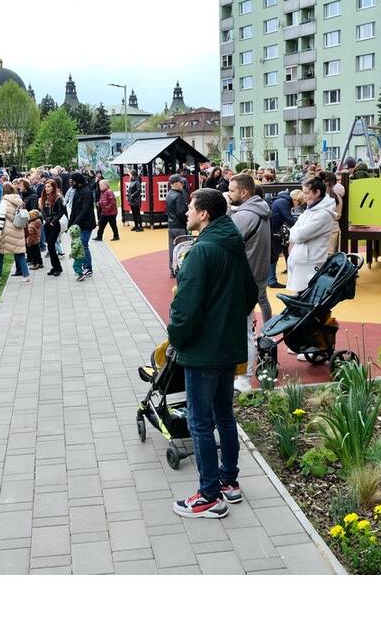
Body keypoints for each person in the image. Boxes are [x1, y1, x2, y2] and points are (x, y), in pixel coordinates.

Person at [167, 188, 257, 519]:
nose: (186, 212)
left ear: (204, 214)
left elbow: (185, 307)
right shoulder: (232, 244)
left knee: (200, 422)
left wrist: (176, 336)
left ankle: (208, 496)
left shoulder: (201, 250)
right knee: (224, 415)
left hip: (203, 351)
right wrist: (226, 320)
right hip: (227, 347)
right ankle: (228, 481)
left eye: (191, 208)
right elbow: (250, 293)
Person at [226, 173, 271, 394]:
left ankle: (243, 378)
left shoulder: (244, 216)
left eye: (231, 190)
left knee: (243, 331)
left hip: (243, 280)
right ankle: (242, 375)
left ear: (244, 192)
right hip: (256, 276)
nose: (228, 194)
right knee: (246, 328)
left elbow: (225, 242)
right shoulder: (260, 211)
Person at [285, 177, 337, 294]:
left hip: (309, 265)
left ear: (317, 192)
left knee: (306, 299)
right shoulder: (310, 210)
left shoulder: (323, 215)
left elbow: (299, 235)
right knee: (299, 298)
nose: (304, 196)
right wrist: (295, 233)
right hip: (303, 264)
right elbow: (295, 231)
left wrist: (294, 233)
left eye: (307, 193)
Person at [0, 182, 30, 285]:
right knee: (20, 253)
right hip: (18, 229)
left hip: (7, 231)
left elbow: (1, 219)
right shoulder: (19, 200)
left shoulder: (4, 201)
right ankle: (26, 276)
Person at [267, 187, 297, 289]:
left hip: (272, 229)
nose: (297, 206)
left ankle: (270, 279)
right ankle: (271, 280)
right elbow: (289, 219)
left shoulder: (281, 200)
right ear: (295, 200)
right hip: (273, 231)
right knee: (274, 255)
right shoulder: (284, 203)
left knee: (273, 254)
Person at [67, 173, 96, 279]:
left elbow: (85, 210)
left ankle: (88, 268)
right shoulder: (77, 191)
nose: (71, 183)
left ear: (78, 181)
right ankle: (83, 266)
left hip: (86, 224)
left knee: (83, 245)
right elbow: (74, 209)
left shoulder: (87, 192)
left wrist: (75, 223)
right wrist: (70, 223)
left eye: (72, 181)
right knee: (81, 245)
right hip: (79, 224)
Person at [41, 178, 66, 277]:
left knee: (51, 244)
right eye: (45, 187)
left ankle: (58, 268)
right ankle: (54, 267)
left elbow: (61, 212)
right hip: (47, 224)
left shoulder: (58, 197)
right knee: (50, 246)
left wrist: (53, 221)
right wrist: (45, 220)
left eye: (49, 187)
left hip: (55, 224)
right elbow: (44, 211)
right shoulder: (45, 197)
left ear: (53, 187)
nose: (46, 188)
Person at [165, 174, 188, 278]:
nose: (183, 183)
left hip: (171, 225)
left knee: (172, 248)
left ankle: (172, 269)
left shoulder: (169, 194)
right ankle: (181, 269)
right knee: (182, 248)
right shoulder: (178, 196)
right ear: (175, 183)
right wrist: (187, 221)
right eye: (181, 182)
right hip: (179, 226)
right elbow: (181, 212)